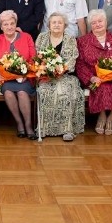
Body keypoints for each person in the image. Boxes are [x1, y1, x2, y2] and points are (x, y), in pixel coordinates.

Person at [77, 9, 112, 136]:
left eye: (100, 21)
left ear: (106, 22)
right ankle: (102, 115)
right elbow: (80, 64)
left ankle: (111, 117)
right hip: (95, 78)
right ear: (90, 25)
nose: (97, 24)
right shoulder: (83, 41)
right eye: (94, 22)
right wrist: (91, 78)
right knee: (101, 88)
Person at [35, 12, 85, 141]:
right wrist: (47, 71)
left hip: (66, 76)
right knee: (44, 91)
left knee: (65, 91)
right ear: (49, 25)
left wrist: (58, 71)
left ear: (65, 25)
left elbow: (72, 59)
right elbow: (37, 58)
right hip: (45, 76)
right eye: (54, 22)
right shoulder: (41, 37)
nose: (56, 25)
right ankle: (44, 128)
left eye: (60, 22)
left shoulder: (70, 39)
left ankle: (67, 130)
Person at [0, 10, 37, 139]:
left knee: (22, 93)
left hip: (25, 77)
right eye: (5, 24)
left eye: (12, 23)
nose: (9, 27)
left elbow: (33, 58)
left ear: (16, 24)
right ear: (1, 26)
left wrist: (24, 73)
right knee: (9, 93)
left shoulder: (26, 37)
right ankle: (19, 123)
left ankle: (28, 125)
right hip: (3, 79)